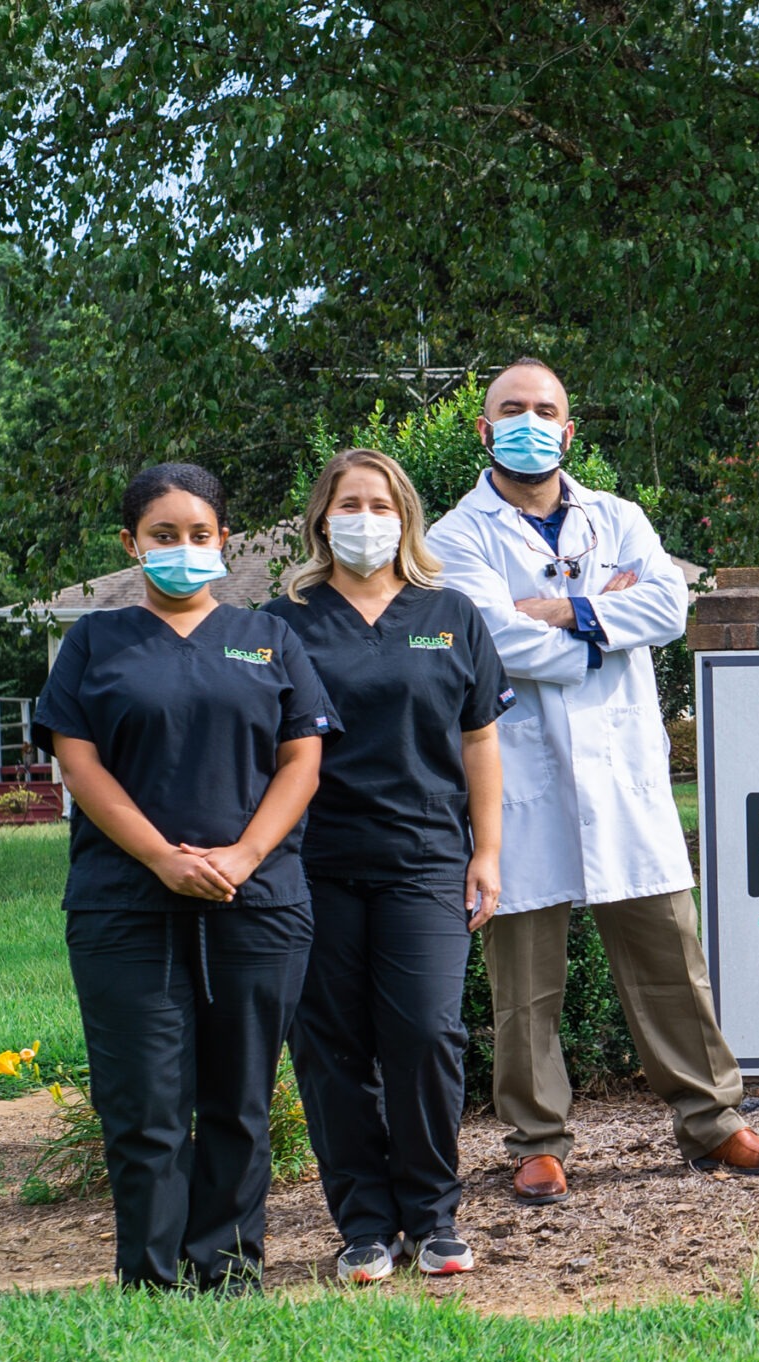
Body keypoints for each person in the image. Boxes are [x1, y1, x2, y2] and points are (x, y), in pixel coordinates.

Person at [431, 357, 759, 1204]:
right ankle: (537, 1139)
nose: (529, 421)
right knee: (524, 977)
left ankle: (712, 1121)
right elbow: (493, 644)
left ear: (569, 429)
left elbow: (668, 611)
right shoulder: (457, 537)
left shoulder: (619, 516)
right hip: (520, 774)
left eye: (545, 409)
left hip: (624, 776)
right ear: (484, 432)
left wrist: (558, 608)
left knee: (671, 954)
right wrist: (606, 618)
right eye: (510, 410)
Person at [34, 464, 336, 1290]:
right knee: (144, 1104)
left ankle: (231, 1273)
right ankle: (151, 1277)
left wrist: (241, 857)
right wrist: (163, 858)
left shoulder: (271, 637)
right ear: (132, 545)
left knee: (239, 1100)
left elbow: (302, 761)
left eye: (199, 534)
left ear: (223, 541)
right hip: (124, 903)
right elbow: (78, 761)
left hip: (258, 899)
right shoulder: (96, 642)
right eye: (163, 536)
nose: (183, 548)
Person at [272, 449, 513, 1284]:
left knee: (425, 1033)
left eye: (380, 504)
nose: (365, 519)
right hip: (313, 865)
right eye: (349, 503)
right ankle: (366, 1227)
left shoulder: (452, 613)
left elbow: (479, 740)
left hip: (424, 861)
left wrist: (487, 851)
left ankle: (432, 1216)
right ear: (321, 520)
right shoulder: (285, 621)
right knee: (330, 1046)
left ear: (405, 517)